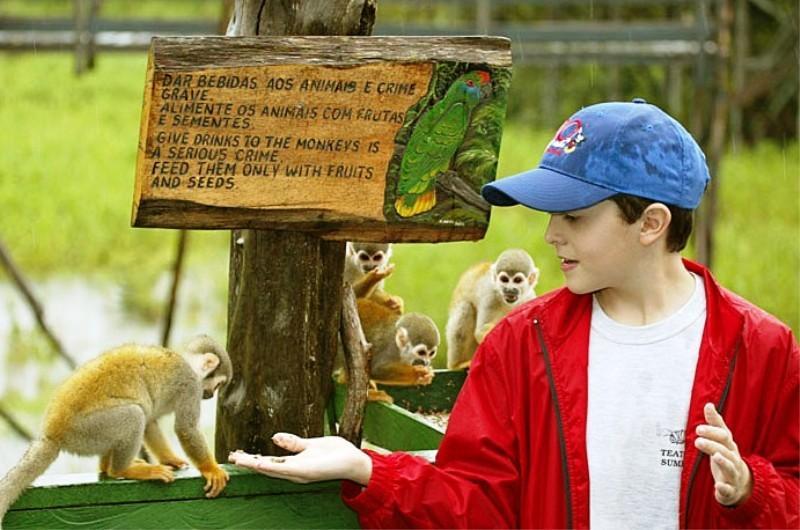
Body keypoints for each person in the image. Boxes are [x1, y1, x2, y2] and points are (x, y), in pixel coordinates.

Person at [229, 100, 799, 528]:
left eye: (574, 218)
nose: (552, 235)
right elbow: (477, 503)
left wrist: (753, 490)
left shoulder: (765, 350)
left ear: (651, 223)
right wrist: (368, 470)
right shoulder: (521, 344)